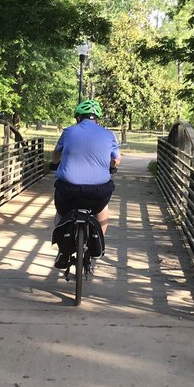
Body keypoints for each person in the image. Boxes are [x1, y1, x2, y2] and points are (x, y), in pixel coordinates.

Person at [51, 99, 121, 268]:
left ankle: (63, 250)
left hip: (69, 189)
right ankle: (98, 245)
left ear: (78, 117)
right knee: (102, 210)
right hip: (98, 191)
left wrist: (54, 164)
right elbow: (116, 160)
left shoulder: (68, 132)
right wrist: (111, 168)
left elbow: (56, 154)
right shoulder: (109, 135)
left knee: (61, 211)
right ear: (97, 118)